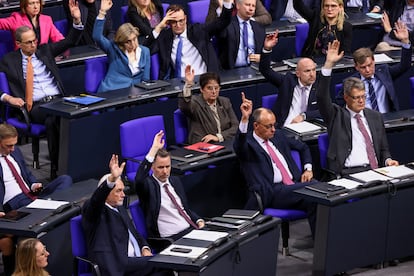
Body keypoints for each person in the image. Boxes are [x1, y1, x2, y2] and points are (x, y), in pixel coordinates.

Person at [0, 0, 83, 179]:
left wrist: (76, 21)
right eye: (28, 42)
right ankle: (57, 169)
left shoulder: (44, 51)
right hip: (36, 106)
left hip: (59, 99)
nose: (33, 45)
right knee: (55, 118)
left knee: (77, 114)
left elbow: (70, 41)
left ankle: (75, 165)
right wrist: (8, 98)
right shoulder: (9, 61)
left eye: (34, 41)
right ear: (18, 43)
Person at [233, 93, 317, 236]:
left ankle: (322, 244)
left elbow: (302, 147)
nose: (273, 129)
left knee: (318, 201)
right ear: (256, 126)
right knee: (316, 188)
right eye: (268, 126)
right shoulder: (248, 145)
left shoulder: (277, 135)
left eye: (274, 125)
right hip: (272, 192)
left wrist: (308, 169)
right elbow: (239, 145)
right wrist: (244, 119)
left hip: (294, 186)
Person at [317, 40, 399, 177]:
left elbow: (384, 150)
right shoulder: (337, 116)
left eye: (363, 96)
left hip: (376, 171)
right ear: (346, 97)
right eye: (356, 98)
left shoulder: (375, 116)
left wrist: (388, 161)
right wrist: (328, 65)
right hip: (349, 172)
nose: (361, 101)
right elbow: (321, 97)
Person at [0, 123, 72, 276]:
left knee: (65, 179)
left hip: (32, 195)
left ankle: (50, 211)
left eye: (14, 144)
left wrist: (34, 184)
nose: (13, 149)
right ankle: (49, 213)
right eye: (8, 146)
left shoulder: (15, 151)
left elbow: (27, 173)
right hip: (15, 204)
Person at [82, 154, 171, 276]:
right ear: (106, 193)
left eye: (123, 190)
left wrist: (144, 248)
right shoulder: (95, 212)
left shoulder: (120, 208)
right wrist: (111, 180)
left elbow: (134, 233)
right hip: (117, 265)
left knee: (165, 269)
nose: (123, 195)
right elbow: (96, 200)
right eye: (118, 191)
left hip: (134, 261)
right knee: (165, 263)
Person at [135, 130, 204, 243]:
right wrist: (154, 149)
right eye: (161, 167)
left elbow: (184, 209)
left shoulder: (174, 181)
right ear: (152, 167)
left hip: (191, 229)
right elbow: (139, 179)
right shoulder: (148, 186)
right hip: (171, 238)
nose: (165, 171)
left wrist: (198, 220)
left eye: (168, 166)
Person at [336, 21, 412, 113]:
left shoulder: (384, 72)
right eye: (363, 67)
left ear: (374, 61)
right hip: (365, 123)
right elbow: (339, 108)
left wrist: (405, 42)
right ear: (356, 67)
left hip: (387, 118)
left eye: (370, 65)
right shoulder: (349, 83)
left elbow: (404, 66)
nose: (368, 70)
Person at [149, 0, 233, 79]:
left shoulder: (199, 30)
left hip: (204, 81)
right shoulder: (164, 37)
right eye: (173, 22)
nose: (178, 25)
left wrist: (227, 3)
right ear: (168, 22)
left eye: (181, 21)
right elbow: (147, 50)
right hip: (179, 84)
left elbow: (223, 21)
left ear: (185, 19)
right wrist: (159, 27)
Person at [259, 31, 321, 128]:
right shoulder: (287, 81)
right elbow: (265, 70)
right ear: (298, 73)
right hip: (284, 127)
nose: (312, 74)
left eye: (314, 70)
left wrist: (304, 116)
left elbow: (326, 109)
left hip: (307, 127)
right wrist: (267, 49)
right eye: (307, 71)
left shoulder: (319, 85)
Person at [93, 0, 150, 93]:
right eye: (128, 41)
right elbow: (97, 36)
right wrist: (102, 12)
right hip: (113, 90)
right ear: (121, 42)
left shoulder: (145, 51)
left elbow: (145, 79)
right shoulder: (113, 49)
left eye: (134, 39)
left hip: (135, 92)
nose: (132, 44)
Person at [179, 65, 239, 144]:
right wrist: (188, 84)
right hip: (203, 145)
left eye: (216, 88)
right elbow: (185, 105)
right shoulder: (195, 103)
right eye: (209, 88)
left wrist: (219, 137)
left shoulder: (225, 102)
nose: (214, 91)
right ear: (201, 89)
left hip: (224, 142)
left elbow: (236, 126)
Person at [216, 0, 266, 69]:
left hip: (254, 69)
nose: (251, 9)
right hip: (231, 72)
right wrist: (223, 9)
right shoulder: (227, 25)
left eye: (253, 6)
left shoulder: (259, 28)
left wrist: (262, 58)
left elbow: (264, 52)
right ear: (238, 6)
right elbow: (220, 32)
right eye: (248, 5)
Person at [206, 0, 272, 26]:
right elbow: (208, 24)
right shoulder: (217, 1)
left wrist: (247, 20)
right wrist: (222, 8)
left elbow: (267, 18)